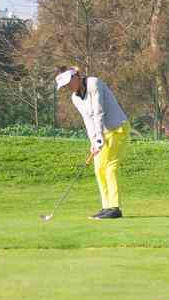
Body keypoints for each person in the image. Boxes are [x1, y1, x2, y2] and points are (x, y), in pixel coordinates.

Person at [55, 66, 130, 220]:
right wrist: (93, 141)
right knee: (99, 169)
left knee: (110, 167)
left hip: (117, 128)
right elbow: (88, 120)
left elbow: (98, 111)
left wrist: (99, 136)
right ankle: (106, 206)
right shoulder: (75, 98)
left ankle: (115, 207)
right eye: (65, 86)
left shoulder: (93, 83)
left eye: (69, 82)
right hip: (102, 133)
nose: (69, 87)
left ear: (76, 76)